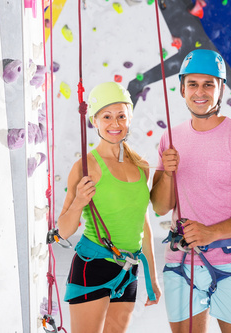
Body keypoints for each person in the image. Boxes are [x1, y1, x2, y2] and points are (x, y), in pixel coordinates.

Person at [150, 49, 231, 333]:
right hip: (181, 264)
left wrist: (211, 232)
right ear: (181, 89)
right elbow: (160, 207)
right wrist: (167, 174)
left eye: (208, 84)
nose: (199, 92)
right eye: (192, 84)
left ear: (221, 89)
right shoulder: (170, 137)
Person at [57, 81, 161, 333]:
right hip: (93, 265)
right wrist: (80, 201)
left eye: (121, 116)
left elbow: (143, 224)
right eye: (107, 116)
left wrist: (152, 279)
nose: (115, 124)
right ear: (94, 121)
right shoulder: (86, 166)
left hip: (129, 269)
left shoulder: (141, 166)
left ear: (129, 119)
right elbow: (62, 230)